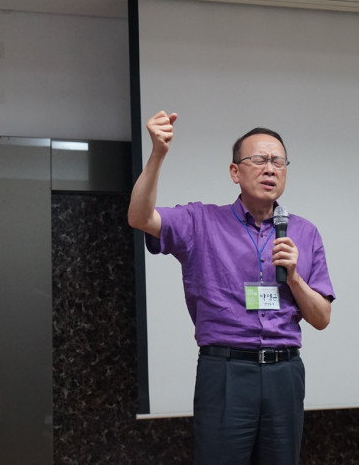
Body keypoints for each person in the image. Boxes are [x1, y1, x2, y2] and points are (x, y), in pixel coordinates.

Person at [128, 111, 335, 465]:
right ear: (235, 172)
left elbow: (322, 318)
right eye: (259, 160)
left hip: (284, 372)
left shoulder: (305, 232)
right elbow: (139, 217)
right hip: (226, 371)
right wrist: (158, 154)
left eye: (278, 162)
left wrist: (294, 277)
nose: (270, 169)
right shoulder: (201, 221)